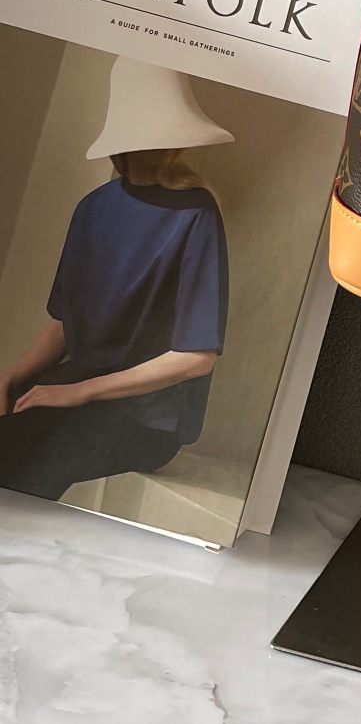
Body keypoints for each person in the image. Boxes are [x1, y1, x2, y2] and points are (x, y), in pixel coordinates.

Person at [0, 57, 232, 501]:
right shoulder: (92, 208)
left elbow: (195, 357)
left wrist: (82, 392)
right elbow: (64, 326)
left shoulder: (196, 213)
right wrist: (9, 378)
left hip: (148, 418)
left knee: (37, 462)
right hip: (76, 390)